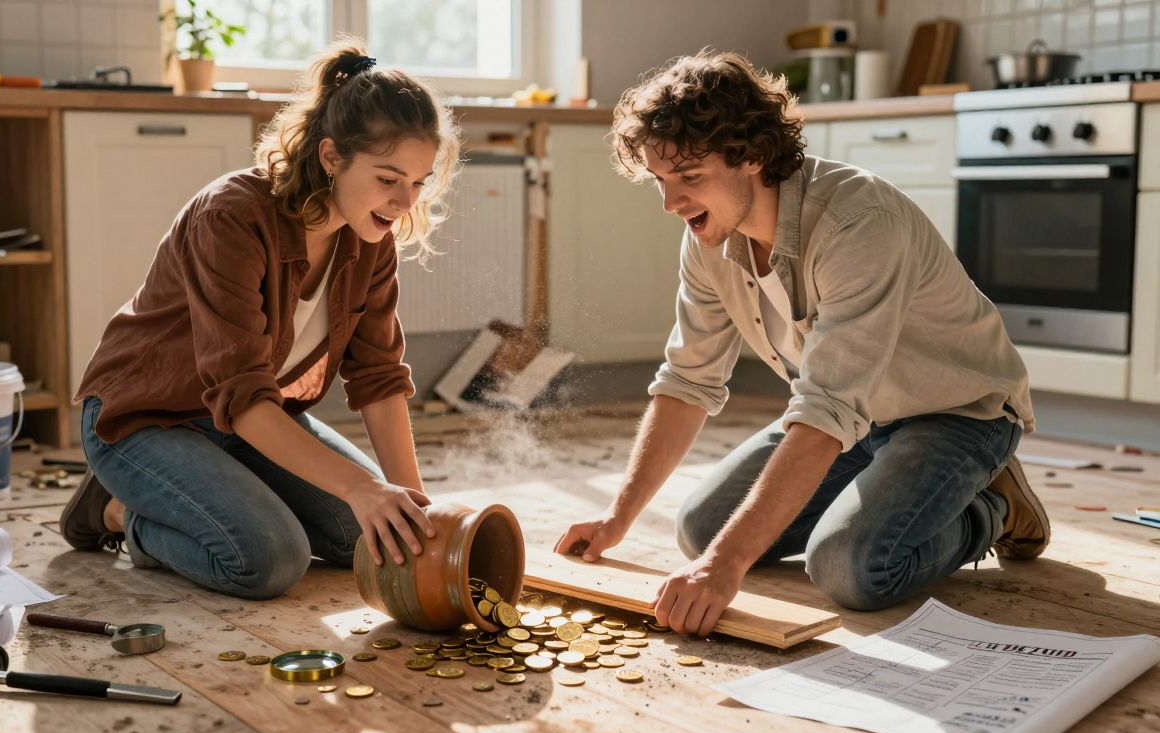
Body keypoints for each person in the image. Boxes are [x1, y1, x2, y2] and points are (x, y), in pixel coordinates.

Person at [555, 50, 1049, 634]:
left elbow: (824, 408)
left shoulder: (859, 223)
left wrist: (724, 566)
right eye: (660, 181)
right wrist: (617, 518)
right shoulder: (707, 239)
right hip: (851, 423)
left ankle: (989, 506)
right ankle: (899, 494)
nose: (671, 203)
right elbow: (688, 381)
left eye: (690, 178)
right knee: (698, 530)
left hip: (955, 413)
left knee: (851, 568)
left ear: (754, 157)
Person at [60, 42, 461, 600]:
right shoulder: (232, 215)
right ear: (329, 156)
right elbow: (244, 395)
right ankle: (115, 511)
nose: (402, 201)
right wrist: (366, 488)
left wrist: (416, 512)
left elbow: (378, 376)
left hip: (247, 421)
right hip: (147, 419)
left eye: (417, 183)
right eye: (388, 178)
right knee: (270, 559)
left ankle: (203, 494)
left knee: (368, 537)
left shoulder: (372, 239)